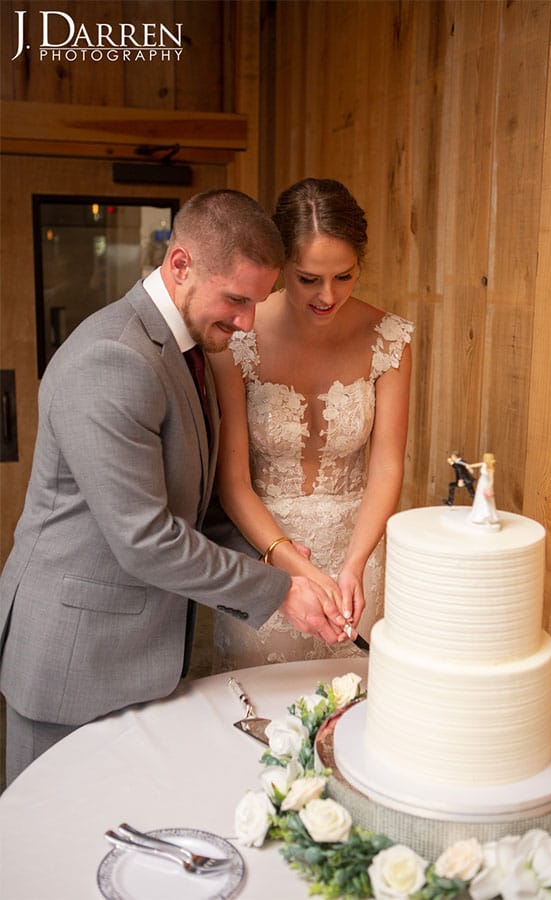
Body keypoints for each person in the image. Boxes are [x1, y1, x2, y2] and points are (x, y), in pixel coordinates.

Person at [0, 189, 350, 785]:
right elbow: (149, 540)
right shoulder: (113, 357)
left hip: (137, 657)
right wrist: (277, 591)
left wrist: (286, 565)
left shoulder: (185, 350)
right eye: (236, 300)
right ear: (181, 264)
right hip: (72, 657)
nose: (245, 323)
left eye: (256, 303)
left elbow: (195, 507)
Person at [208, 177, 413, 669]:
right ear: (282, 267)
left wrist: (354, 565)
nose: (327, 295)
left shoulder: (390, 338)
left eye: (344, 277)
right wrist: (293, 571)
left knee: (353, 712)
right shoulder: (238, 339)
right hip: (264, 557)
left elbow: (386, 467)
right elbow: (232, 484)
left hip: (357, 559)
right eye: (308, 278)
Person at [468, 452, 499, 525]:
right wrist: (469, 466)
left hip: (486, 484)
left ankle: (487, 518)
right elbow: (476, 465)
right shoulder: (484, 464)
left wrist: (489, 487)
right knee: (480, 499)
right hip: (481, 483)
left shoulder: (491, 468)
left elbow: (491, 480)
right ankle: (478, 516)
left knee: (486, 500)